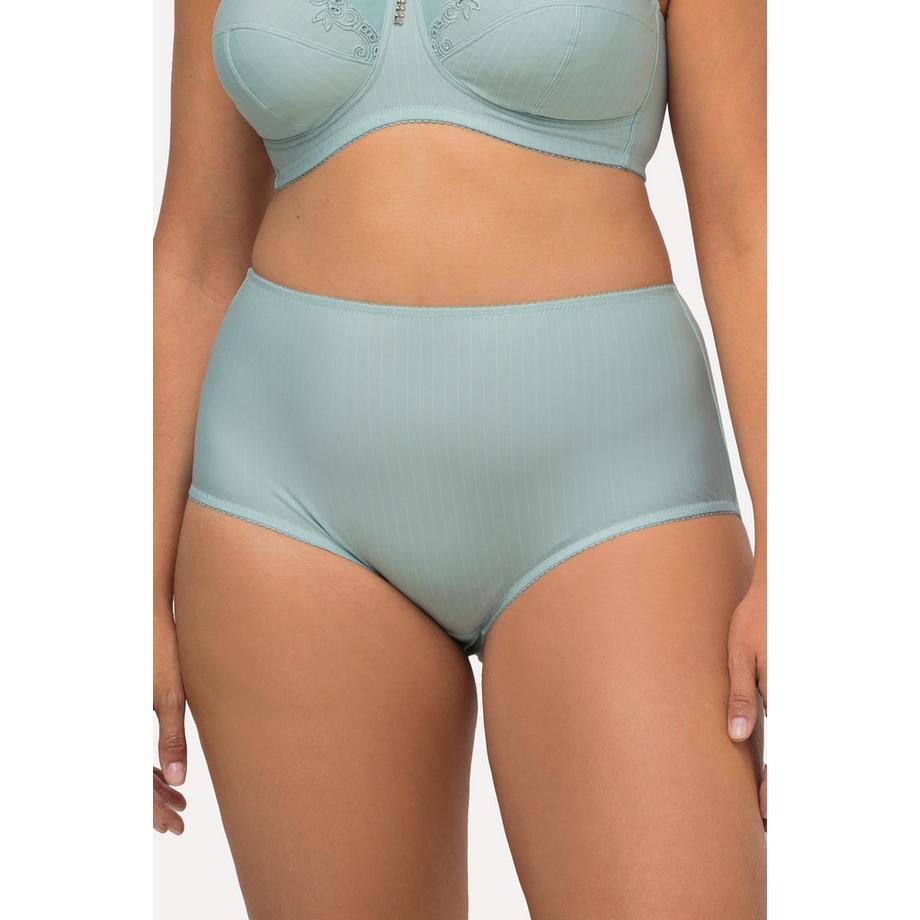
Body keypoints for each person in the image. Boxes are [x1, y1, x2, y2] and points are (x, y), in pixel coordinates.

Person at [154, 0, 766, 916]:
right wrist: (125, 584)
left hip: (617, 489)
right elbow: (195, 253)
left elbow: (748, 225)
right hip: (285, 504)